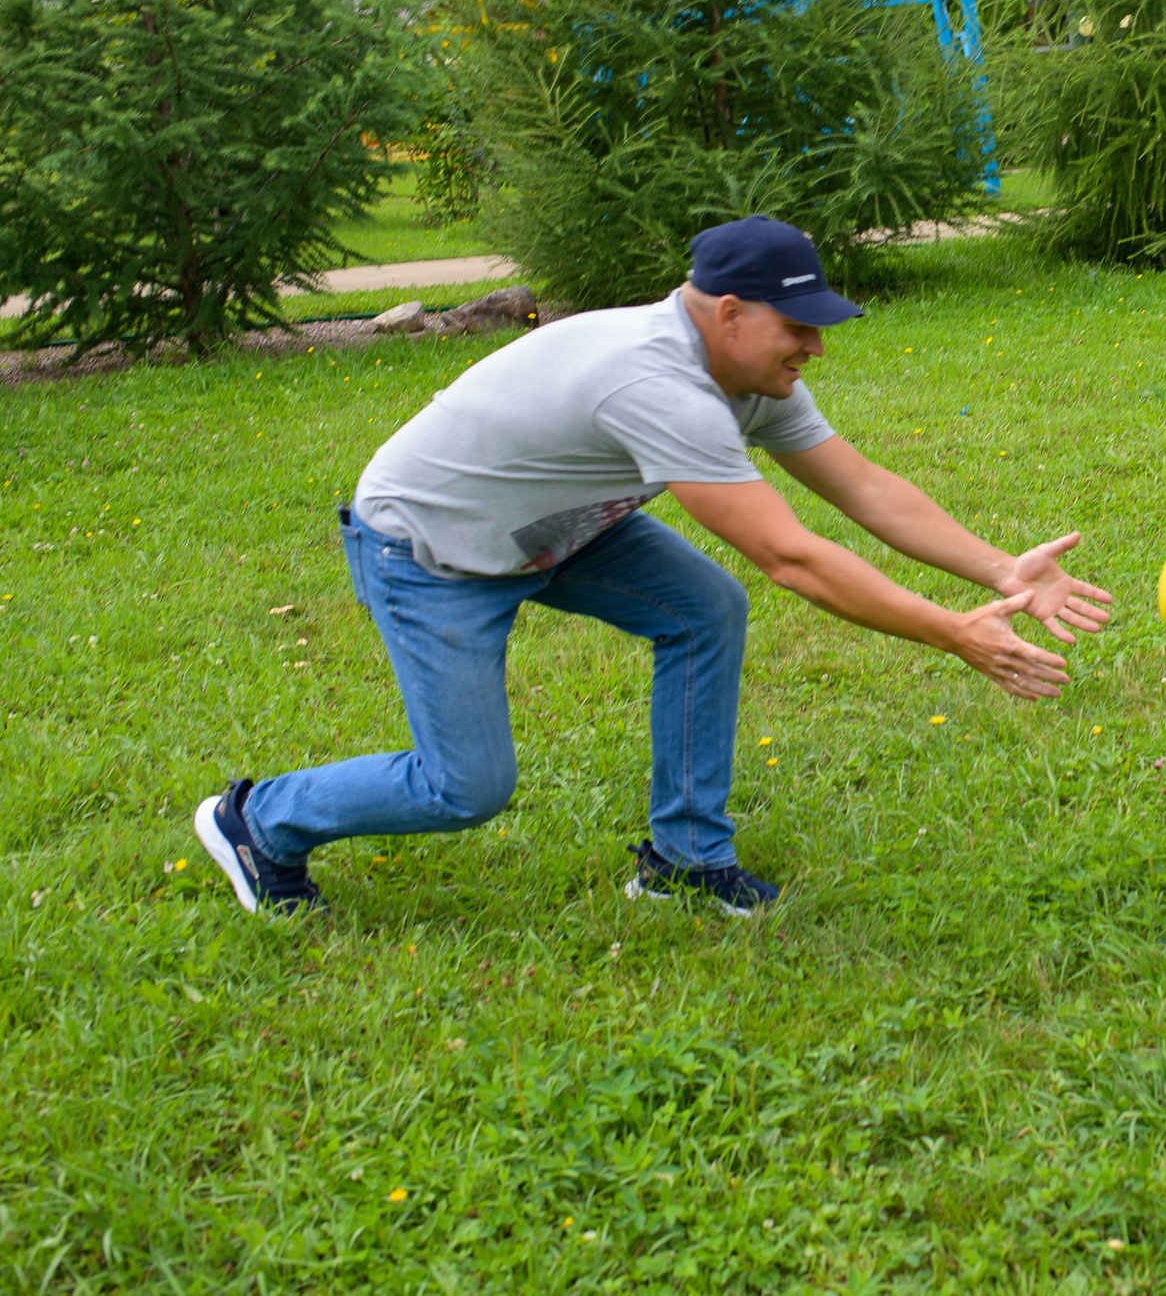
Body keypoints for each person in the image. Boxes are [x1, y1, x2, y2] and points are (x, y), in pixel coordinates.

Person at [193, 215, 1113, 917]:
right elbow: (789, 554)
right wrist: (952, 633)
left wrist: (1001, 572)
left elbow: (863, 488)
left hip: (553, 529)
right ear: (729, 312)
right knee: (465, 786)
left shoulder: (752, 373)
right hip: (433, 548)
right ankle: (258, 820)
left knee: (700, 608)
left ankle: (684, 861)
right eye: (800, 325)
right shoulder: (655, 379)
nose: (817, 346)